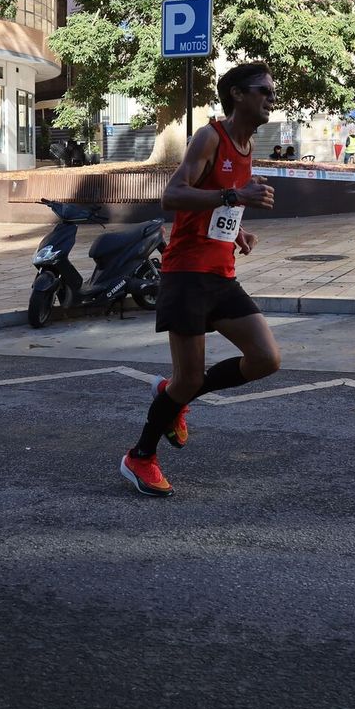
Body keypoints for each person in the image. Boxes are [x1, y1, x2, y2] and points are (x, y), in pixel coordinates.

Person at [119, 62, 282, 498]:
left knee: (266, 358)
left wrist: (236, 228)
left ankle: (172, 394)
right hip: (187, 273)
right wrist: (234, 196)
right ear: (237, 95)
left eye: (271, 90)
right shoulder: (211, 136)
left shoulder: (247, 147)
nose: (271, 97)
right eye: (263, 90)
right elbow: (172, 195)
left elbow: (215, 208)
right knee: (188, 379)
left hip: (222, 273)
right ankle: (141, 457)